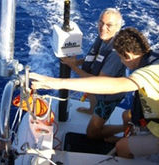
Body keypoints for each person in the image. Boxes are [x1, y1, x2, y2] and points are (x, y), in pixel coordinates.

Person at [30, 27, 159, 159]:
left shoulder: (149, 72)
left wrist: (58, 82)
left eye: (121, 58)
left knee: (121, 147)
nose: (121, 62)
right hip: (151, 119)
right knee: (127, 115)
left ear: (128, 56)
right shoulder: (153, 58)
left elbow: (115, 85)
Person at [61, 8, 127, 141]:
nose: (103, 28)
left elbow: (98, 82)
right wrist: (77, 62)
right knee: (89, 84)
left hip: (108, 96)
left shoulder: (116, 53)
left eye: (109, 25)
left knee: (92, 133)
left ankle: (125, 127)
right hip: (99, 84)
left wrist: (73, 66)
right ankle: (92, 109)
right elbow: (95, 58)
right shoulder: (104, 37)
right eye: (101, 23)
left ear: (118, 27)